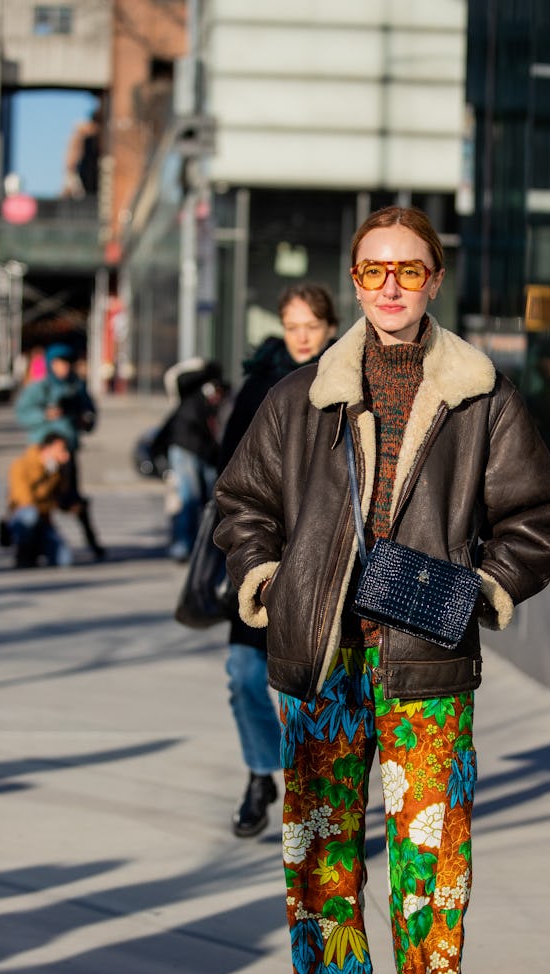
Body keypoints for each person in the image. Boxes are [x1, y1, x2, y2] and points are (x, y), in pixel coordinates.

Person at [214, 205, 550, 974]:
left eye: (409, 271)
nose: (391, 288)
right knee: (318, 875)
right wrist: (262, 580)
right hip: (325, 672)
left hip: (426, 671)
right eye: (375, 271)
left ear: (436, 277)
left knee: (430, 890)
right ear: (357, 279)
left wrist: (486, 588)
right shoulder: (304, 395)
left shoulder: (482, 396)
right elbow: (242, 500)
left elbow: (537, 510)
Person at [219, 284, 338, 838]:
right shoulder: (258, 387)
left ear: (330, 327)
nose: (301, 336)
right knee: (245, 674)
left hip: (323, 565)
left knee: (319, 691)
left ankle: (326, 811)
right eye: (292, 325)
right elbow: (230, 480)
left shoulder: (347, 385)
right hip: (261, 562)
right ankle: (261, 772)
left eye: (311, 325)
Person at [14, 343, 105, 560]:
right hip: (42, 452)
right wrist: (45, 415)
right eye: (59, 363)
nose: (64, 368)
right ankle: (28, 547)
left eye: (67, 363)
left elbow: (90, 415)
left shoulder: (76, 386)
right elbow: (22, 413)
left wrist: (83, 419)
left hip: (68, 452)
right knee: (36, 501)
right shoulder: (40, 387)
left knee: (73, 500)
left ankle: (92, 542)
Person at [152, 360, 228, 561]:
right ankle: (183, 545)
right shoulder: (193, 394)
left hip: (199, 449)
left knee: (204, 498)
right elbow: (177, 378)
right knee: (189, 497)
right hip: (186, 448)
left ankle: (200, 544)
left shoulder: (212, 401)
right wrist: (203, 367)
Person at [5, 431, 73, 567]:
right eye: (61, 449)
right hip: (22, 517)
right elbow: (25, 499)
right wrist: (45, 472)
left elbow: (60, 498)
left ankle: (38, 547)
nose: (65, 454)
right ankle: (24, 552)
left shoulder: (56, 470)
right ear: (48, 448)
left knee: (64, 559)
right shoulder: (21, 465)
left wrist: (63, 471)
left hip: (44, 520)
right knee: (30, 515)